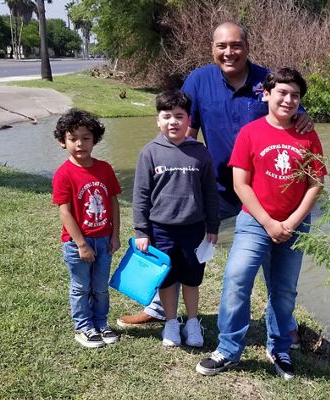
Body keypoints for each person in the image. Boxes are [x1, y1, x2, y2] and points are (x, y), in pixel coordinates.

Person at [117, 21, 312, 348]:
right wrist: (161, 159)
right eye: (221, 46)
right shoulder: (199, 79)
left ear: (247, 47)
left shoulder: (267, 81)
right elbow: (181, 127)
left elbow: (293, 114)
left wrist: (305, 118)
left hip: (261, 193)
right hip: (215, 187)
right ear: (212, 48)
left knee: (270, 256)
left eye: (235, 45)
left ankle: (284, 323)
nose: (229, 52)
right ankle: (158, 307)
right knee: (178, 242)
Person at [195, 67, 326, 379]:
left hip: (295, 226)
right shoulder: (251, 133)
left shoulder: (307, 134)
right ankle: (228, 350)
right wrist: (268, 222)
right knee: (237, 279)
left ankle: (279, 348)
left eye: (295, 95)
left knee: (283, 291)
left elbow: (316, 183)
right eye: (282, 92)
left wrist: (292, 221)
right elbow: (241, 184)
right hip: (255, 221)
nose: (288, 99)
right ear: (266, 94)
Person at [132, 90, 220, 347]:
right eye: (166, 116)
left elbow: (210, 193)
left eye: (179, 116)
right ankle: (171, 322)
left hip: (194, 229)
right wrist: (142, 231)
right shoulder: (149, 152)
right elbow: (141, 195)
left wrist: (212, 226)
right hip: (161, 229)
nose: (173, 122)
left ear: (188, 120)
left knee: (192, 277)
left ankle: (192, 322)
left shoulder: (200, 153)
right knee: (167, 278)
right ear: (158, 120)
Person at [52, 108, 121, 348]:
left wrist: (115, 235)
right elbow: (65, 211)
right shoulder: (64, 174)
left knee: (101, 287)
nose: (80, 143)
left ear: (95, 139)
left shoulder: (105, 169)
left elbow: (113, 202)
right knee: (81, 287)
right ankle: (83, 327)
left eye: (86, 138)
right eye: (73, 138)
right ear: (63, 142)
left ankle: (101, 323)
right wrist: (81, 244)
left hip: (104, 240)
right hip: (77, 243)